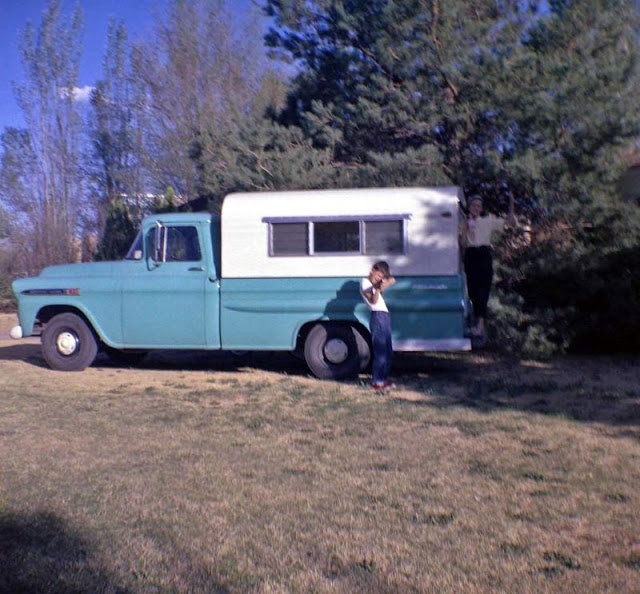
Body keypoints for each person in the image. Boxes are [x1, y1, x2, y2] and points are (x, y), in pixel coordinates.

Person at [461, 194, 516, 340]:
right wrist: (466, 228)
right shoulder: (463, 222)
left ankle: (480, 325)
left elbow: (510, 223)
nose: (476, 208)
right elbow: (462, 243)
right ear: (469, 207)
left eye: (479, 206)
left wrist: (511, 203)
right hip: (471, 254)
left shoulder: (488, 221)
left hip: (484, 254)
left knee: (483, 290)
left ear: (481, 208)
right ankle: (476, 324)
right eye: (473, 205)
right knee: (472, 291)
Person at [360, 261, 396, 390]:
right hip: (378, 316)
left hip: (384, 316)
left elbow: (392, 279)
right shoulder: (365, 283)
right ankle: (377, 382)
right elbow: (373, 301)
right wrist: (378, 288)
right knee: (380, 351)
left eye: (381, 276)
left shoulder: (374, 284)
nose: (379, 277)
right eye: (378, 274)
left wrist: (383, 283)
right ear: (372, 270)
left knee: (388, 352)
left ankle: (383, 379)